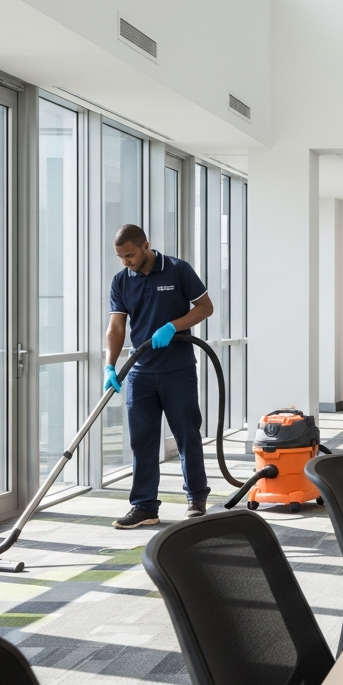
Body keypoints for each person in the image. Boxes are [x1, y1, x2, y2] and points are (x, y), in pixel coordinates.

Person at [103, 224, 215, 529]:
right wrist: (110, 365)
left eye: (129, 255)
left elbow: (205, 307)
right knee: (142, 442)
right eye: (120, 257)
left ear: (145, 245)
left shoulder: (178, 269)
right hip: (140, 373)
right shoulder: (121, 281)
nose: (125, 261)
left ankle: (196, 498)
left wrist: (173, 326)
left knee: (186, 436)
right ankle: (144, 507)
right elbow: (116, 327)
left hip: (177, 370)